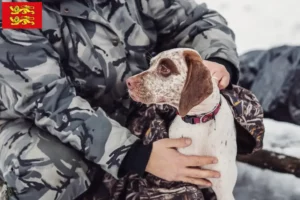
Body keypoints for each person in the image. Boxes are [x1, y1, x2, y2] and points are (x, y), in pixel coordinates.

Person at [0, 0, 243, 199]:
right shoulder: (19, 12)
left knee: (232, 105)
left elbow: (197, 21)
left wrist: (219, 62)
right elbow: (50, 102)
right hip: (36, 121)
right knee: (50, 168)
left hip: (133, 104)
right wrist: (135, 155)